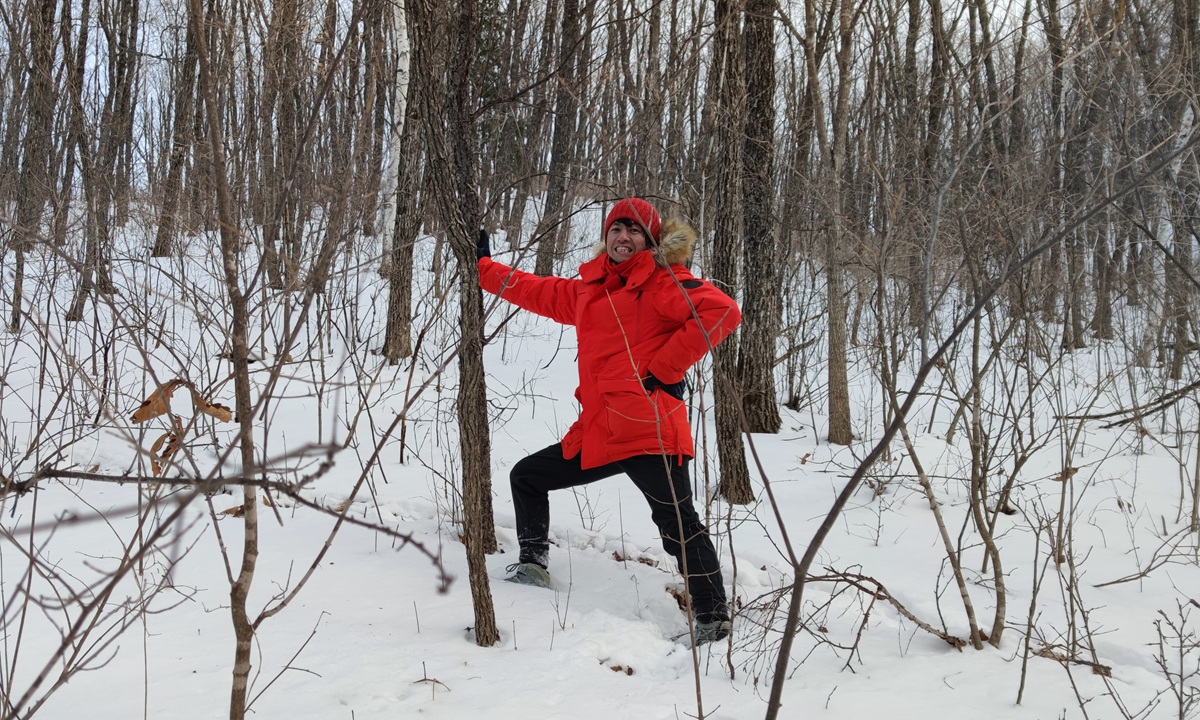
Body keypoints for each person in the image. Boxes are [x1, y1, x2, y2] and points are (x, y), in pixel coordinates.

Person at [476, 198, 741, 645]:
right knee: (528, 476)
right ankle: (533, 565)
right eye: (616, 228)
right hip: (602, 431)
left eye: (634, 230)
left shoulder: (664, 282)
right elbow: (533, 289)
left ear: (651, 240)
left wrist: (666, 369)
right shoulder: (589, 290)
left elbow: (723, 312)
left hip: (650, 431)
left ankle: (713, 616)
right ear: (607, 237)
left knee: (678, 524)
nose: (623, 237)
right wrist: (484, 267)